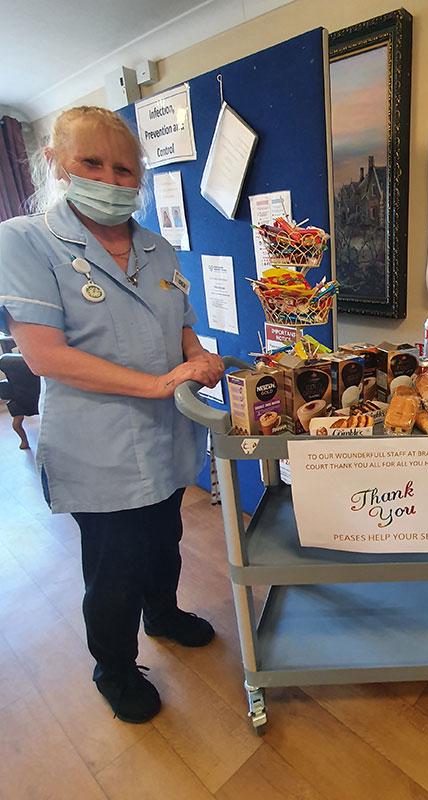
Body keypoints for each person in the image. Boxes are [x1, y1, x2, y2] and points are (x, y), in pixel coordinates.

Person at [0, 106, 225, 724]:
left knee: (164, 541)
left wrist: (198, 357)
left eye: (124, 169)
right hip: (97, 445)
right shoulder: (25, 240)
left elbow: (181, 326)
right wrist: (159, 383)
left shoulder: (158, 247)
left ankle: (165, 614)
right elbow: (46, 356)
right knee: (113, 568)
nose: (109, 179)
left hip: (164, 433)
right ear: (56, 164)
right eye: (91, 163)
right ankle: (115, 669)